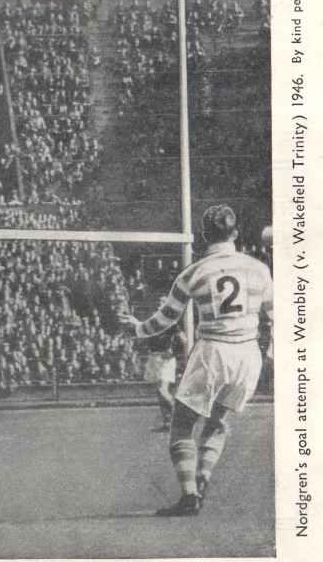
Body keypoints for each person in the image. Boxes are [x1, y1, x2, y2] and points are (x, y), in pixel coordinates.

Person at [120, 204, 273, 516]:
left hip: (213, 351)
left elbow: (165, 319)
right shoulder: (259, 270)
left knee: (181, 426)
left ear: (204, 236)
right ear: (236, 233)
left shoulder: (193, 272)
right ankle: (202, 478)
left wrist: (137, 328)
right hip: (248, 354)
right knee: (217, 421)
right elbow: (277, 315)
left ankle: (189, 495)